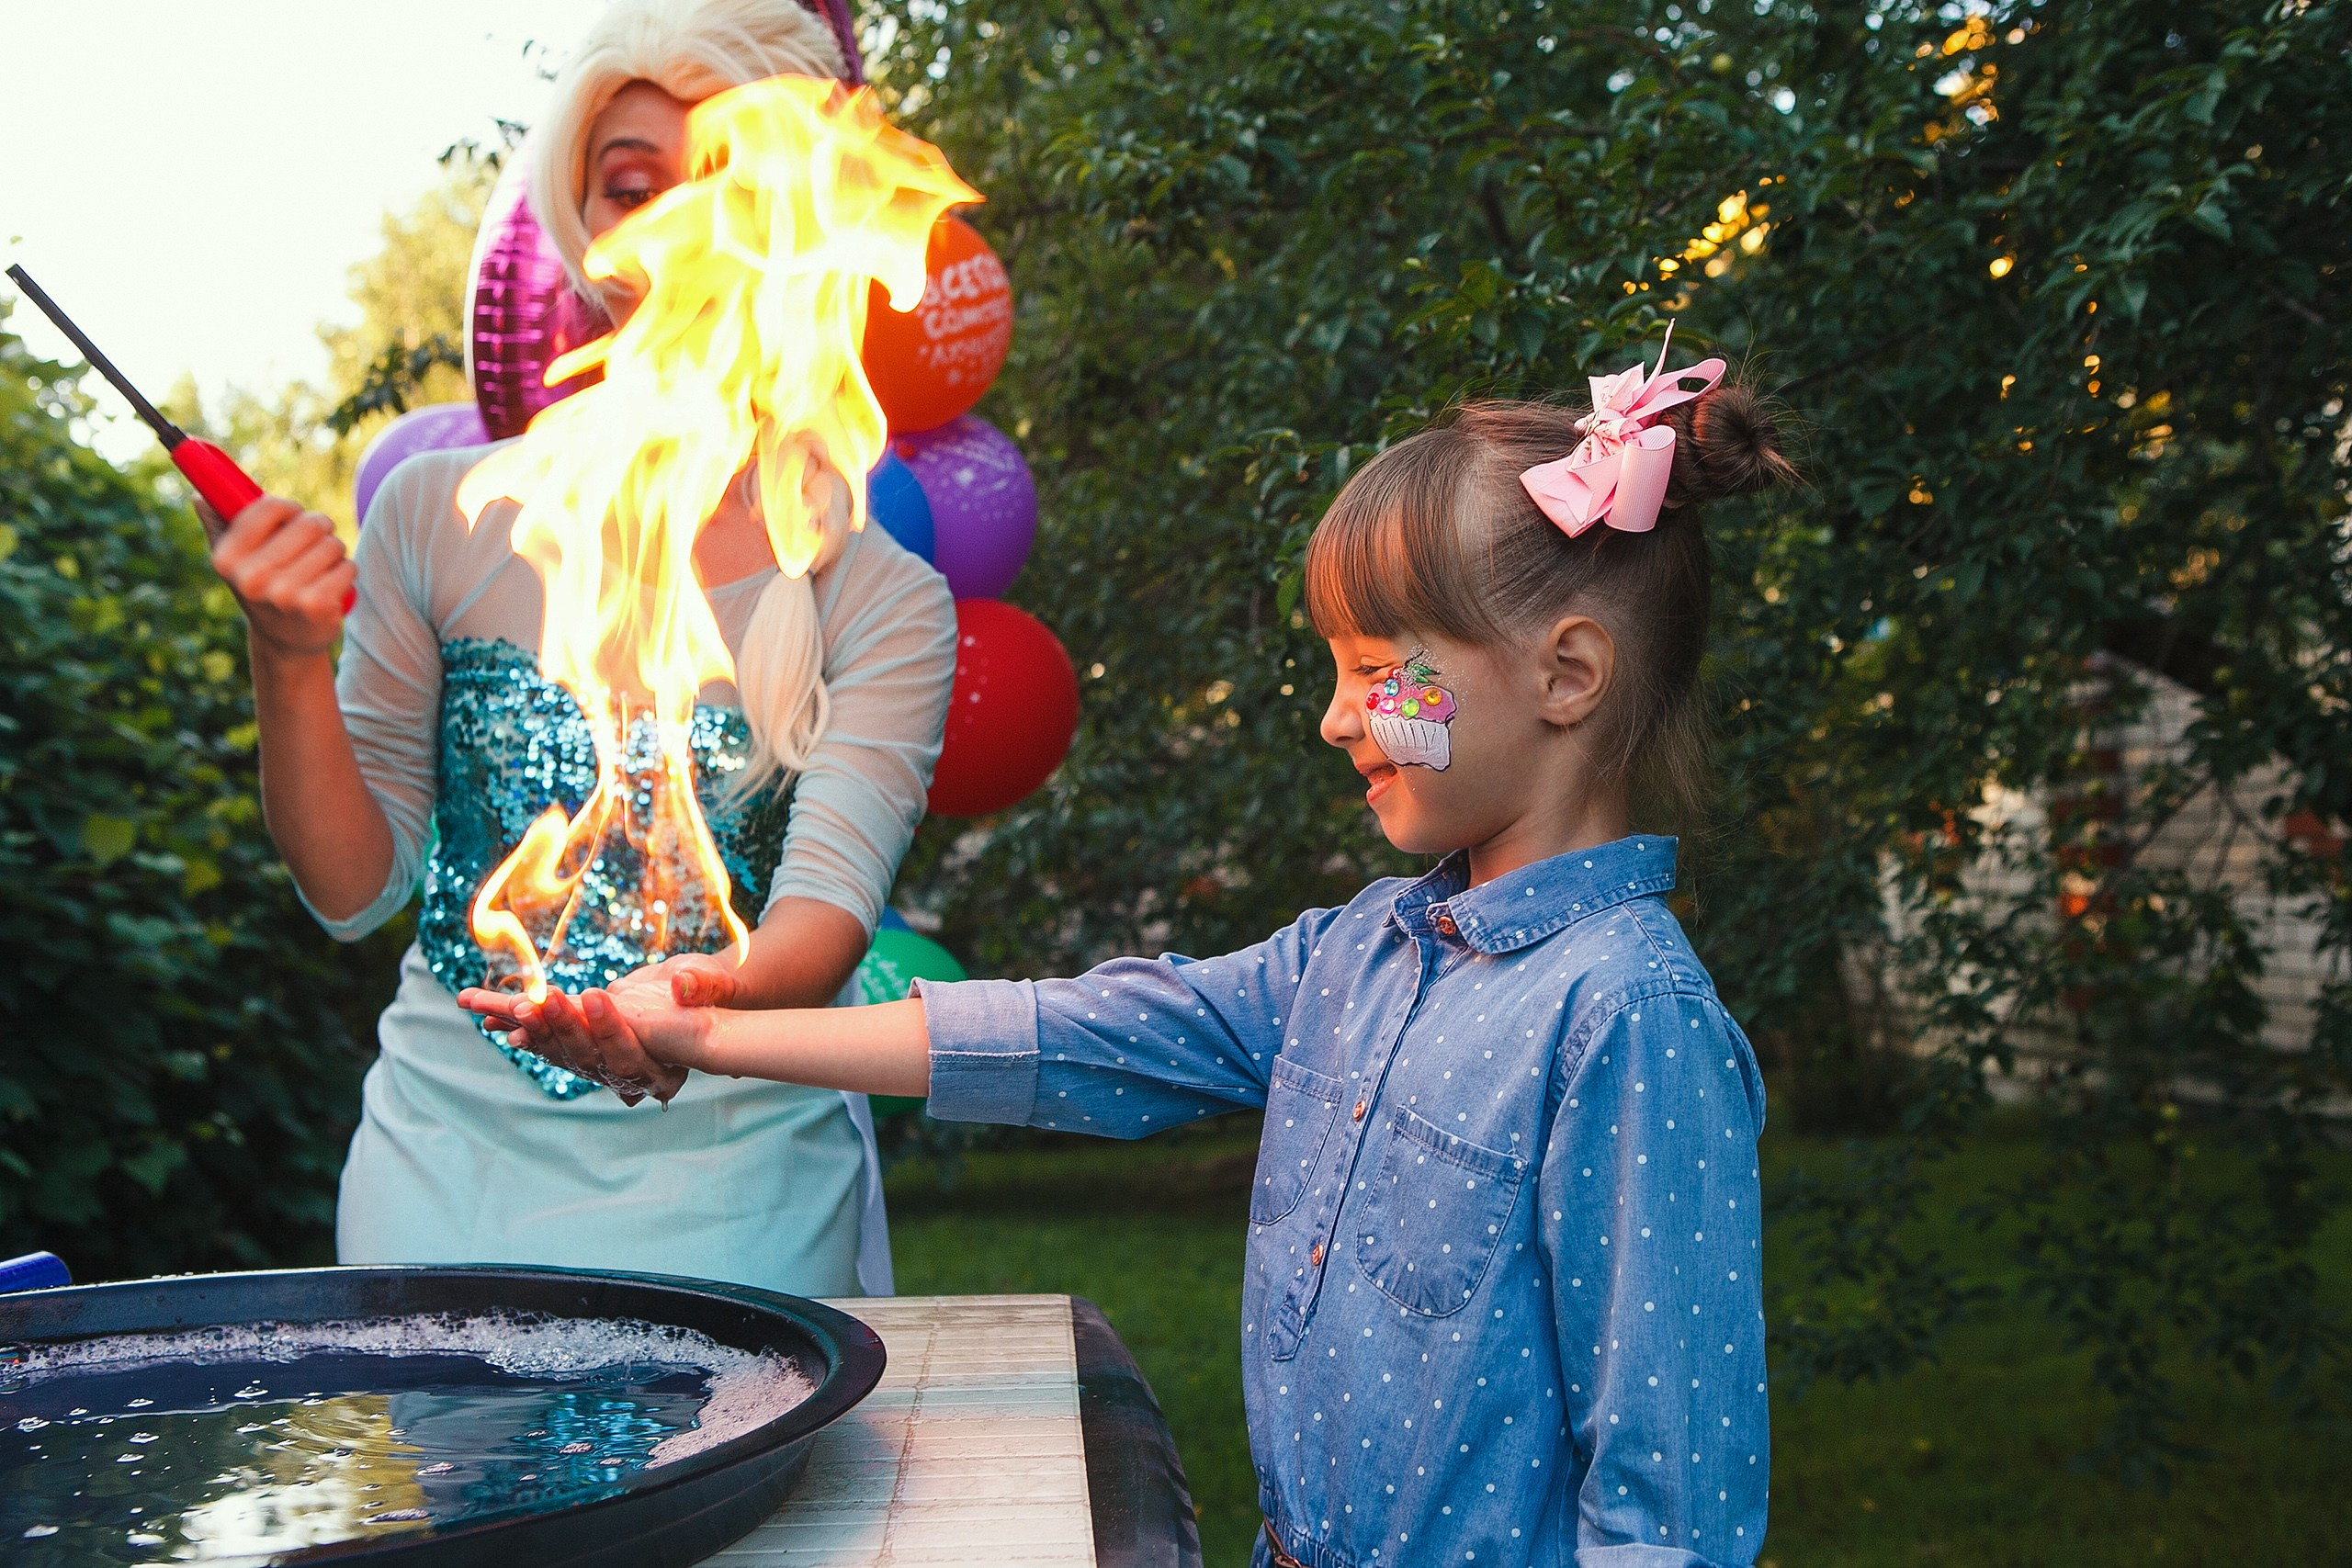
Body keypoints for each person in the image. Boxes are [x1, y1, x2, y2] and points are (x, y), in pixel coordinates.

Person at [466, 340, 1793, 1563]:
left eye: (1379, 669)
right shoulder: (1357, 960)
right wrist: (707, 1033)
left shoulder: (1626, 1018)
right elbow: (1058, 1036)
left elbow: (1672, 1506)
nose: (1337, 720)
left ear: (1569, 675)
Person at [203, 0, 956, 1297]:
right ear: (587, 225)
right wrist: (284, 657)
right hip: (446, 1177)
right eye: (632, 184)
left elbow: (819, 933)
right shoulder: (437, 515)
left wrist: (683, 1006)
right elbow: (350, 888)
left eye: (723, 179)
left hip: (739, 1192)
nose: (671, 227)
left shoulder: (880, 596)